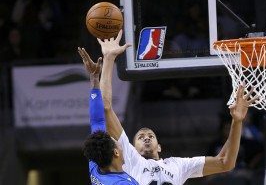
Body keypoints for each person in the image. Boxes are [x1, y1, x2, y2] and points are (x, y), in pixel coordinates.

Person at [81, 30, 256, 184]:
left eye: (150, 135)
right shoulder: (130, 159)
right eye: (141, 136)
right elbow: (105, 109)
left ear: (159, 147)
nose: (147, 137)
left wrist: (237, 121)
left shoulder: (178, 165)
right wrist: (109, 59)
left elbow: (225, 163)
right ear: (128, 149)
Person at [78, 47, 138, 185]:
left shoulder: (98, 165)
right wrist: (93, 78)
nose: (120, 144)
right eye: (117, 142)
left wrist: (94, 77)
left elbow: (97, 120)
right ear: (116, 153)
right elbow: (96, 120)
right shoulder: (121, 183)